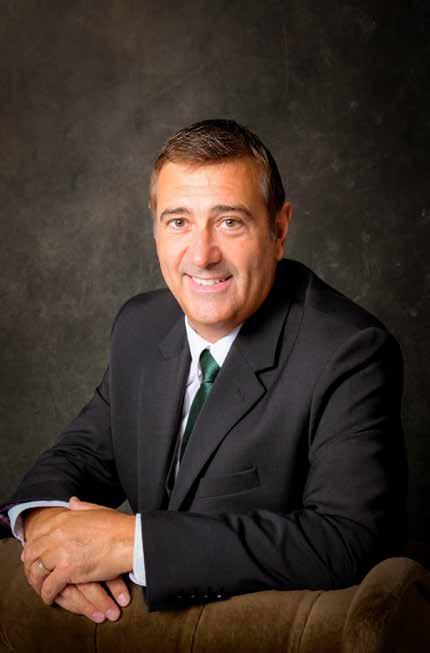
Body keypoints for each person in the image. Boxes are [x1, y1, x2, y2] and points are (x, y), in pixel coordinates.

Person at [0, 119, 407, 623]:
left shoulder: (349, 352)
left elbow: (346, 541)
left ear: (279, 230)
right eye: (178, 222)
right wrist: (45, 527)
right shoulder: (140, 326)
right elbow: (80, 455)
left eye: (230, 221)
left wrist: (132, 543)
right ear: (155, 228)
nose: (202, 255)